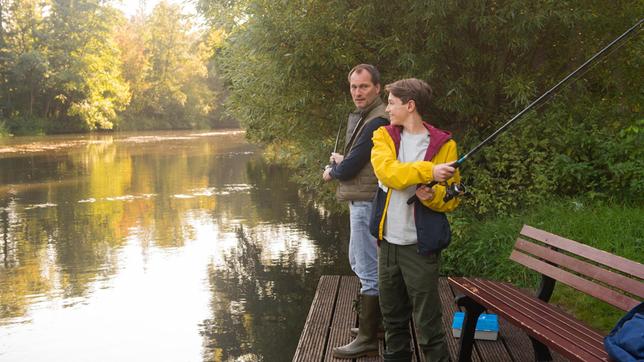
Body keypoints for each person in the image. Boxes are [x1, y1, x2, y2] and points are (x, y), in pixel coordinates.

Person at [369, 78, 460, 362]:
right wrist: (429, 172)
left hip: (419, 247)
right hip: (388, 245)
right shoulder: (383, 136)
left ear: (410, 105)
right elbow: (388, 173)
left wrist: (430, 197)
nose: (387, 108)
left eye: (392, 103)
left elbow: (452, 198)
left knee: (428, 323)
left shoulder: (446, 145)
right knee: (393, 319)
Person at [322, 64, 389, 358]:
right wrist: (343, 161)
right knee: (361, 261)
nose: (358, 92)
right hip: (363, 199)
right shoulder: (369, 117)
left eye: (363, 87)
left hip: (366, 201)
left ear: (377, 87)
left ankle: (368, 337)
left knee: (366, 266)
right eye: (353, 87)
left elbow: (350, 167)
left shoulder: (375, 120)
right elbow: (358, 159)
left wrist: (333, 169)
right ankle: (376, 325)